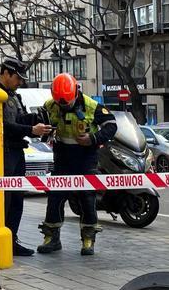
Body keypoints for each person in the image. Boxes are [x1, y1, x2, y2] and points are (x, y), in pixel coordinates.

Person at [37, 73, 118, 256]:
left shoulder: (92, 106)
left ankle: (88, 239)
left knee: (87, 197)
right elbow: (41, 125)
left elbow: (112, 126)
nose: (64, 107)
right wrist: (43, 129)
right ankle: (52, 237)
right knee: (55, 197)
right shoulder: (50, 106)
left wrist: (93, 138)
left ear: (76, 92)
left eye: (67, 103)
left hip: (85, 157)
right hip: (62, 158)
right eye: (60, 104)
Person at [0, 58, 52, 256]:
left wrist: (39, 119)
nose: (20, 82)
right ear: (6, 73)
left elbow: (19, 119)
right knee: (6, 199)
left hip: (17, 152)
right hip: (5, 152)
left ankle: (12, 239)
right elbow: (5, 126)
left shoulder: (14, 96)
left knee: (17, 198)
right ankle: (1, 239)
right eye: (17, 78)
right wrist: (31, 129)